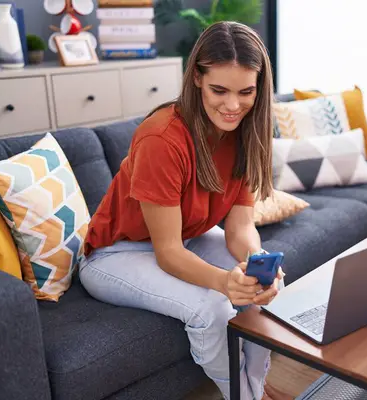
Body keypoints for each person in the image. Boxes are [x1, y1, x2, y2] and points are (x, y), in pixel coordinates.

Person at [79, 21, 286, 400]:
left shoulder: (250, 130)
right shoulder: (163, 139)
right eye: (218, 90)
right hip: (115, 254)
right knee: (213, 308)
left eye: (246, 92)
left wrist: (257, 262)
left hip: (188, 237)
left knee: (268, 285)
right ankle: (246, 396)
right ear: (196, 78)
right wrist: (225, 282)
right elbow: (169, 252)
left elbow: (240, 227)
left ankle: (255, 390)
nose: (233, 105)